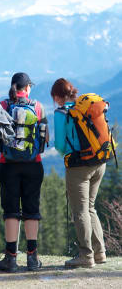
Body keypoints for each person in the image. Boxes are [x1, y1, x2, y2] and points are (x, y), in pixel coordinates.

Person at [0, 72, 48, 272]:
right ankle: (32, 258)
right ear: (27, 88)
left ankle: (11, 258)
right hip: (34, 164)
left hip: (7, 165)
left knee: (11, 211)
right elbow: (44, 140)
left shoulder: (3, 105)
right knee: (31, 210)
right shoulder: (39, 107)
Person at [51, 78, 106, 268]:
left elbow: (59, 145)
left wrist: (68, 154)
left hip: (79, 166)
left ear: (58, 97)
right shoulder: (84, 104)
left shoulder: (61, 112)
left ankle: (86, 255)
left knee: (80, 211)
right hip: (99, 161)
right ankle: (100, 253)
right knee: (90, 207)